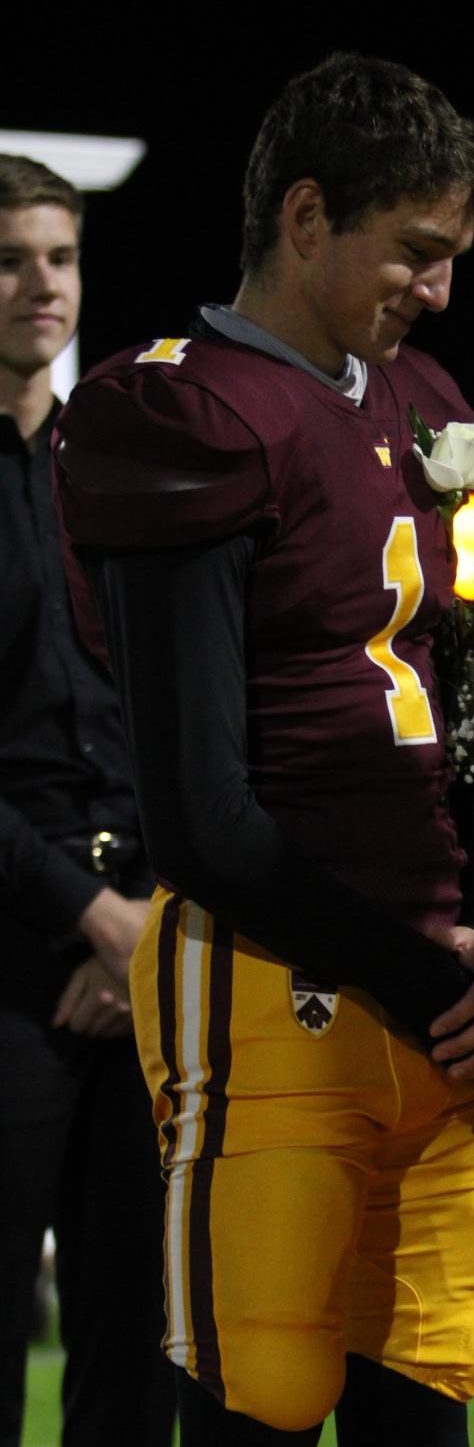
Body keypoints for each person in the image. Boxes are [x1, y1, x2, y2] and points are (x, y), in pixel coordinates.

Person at [54, 54, 474, 1445]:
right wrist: (425, 970)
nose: (438, 289)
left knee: (426, 1389)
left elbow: (472, 694)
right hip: (278, 986)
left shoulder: (420, 392)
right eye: (417, 252)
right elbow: (199, 811)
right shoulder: (184, 410)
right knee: (262, 1393)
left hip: (436, 983)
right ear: (308, 216)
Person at [0, 154, 176, 1447]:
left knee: (136, 1345)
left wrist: (147, 918)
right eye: (9, 258)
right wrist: (87, 914)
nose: (40, 284)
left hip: (154, 949)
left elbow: (192, 712)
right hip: (11, 959)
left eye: (58, 256)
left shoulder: (129, 460)